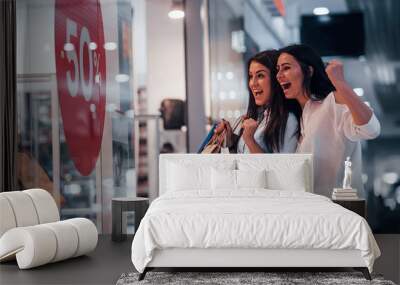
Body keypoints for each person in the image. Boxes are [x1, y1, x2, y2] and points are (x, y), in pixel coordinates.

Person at [276, 44, 380, 198]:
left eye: (286, 68)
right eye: (277, 69)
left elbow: (371, 129)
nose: (279, 75)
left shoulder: (332, 102)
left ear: (309, 71)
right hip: (313, 212)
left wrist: (340, 83)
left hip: (341, 212)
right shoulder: (302, 116)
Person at [215, 50, 300, 153]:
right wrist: (231, 142)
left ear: (275, 79)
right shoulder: (257, 117)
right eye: (251, 76)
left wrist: (250, 140)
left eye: (260, 76)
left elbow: (281, 167)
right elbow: (244, 163)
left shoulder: (288, 120)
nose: (253, 83)